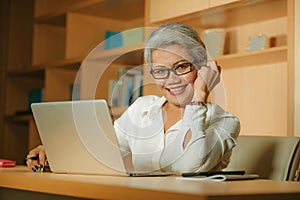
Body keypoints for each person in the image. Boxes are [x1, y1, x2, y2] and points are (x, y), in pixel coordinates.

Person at [26, 23, 240, 173]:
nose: (171, 80)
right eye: (160, 71)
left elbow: (190, 166)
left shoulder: (225, 122)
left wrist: (200, 95)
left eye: (181, 66)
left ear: (203, 68)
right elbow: (103, 152)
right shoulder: (142, 108)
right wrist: (56, 153)